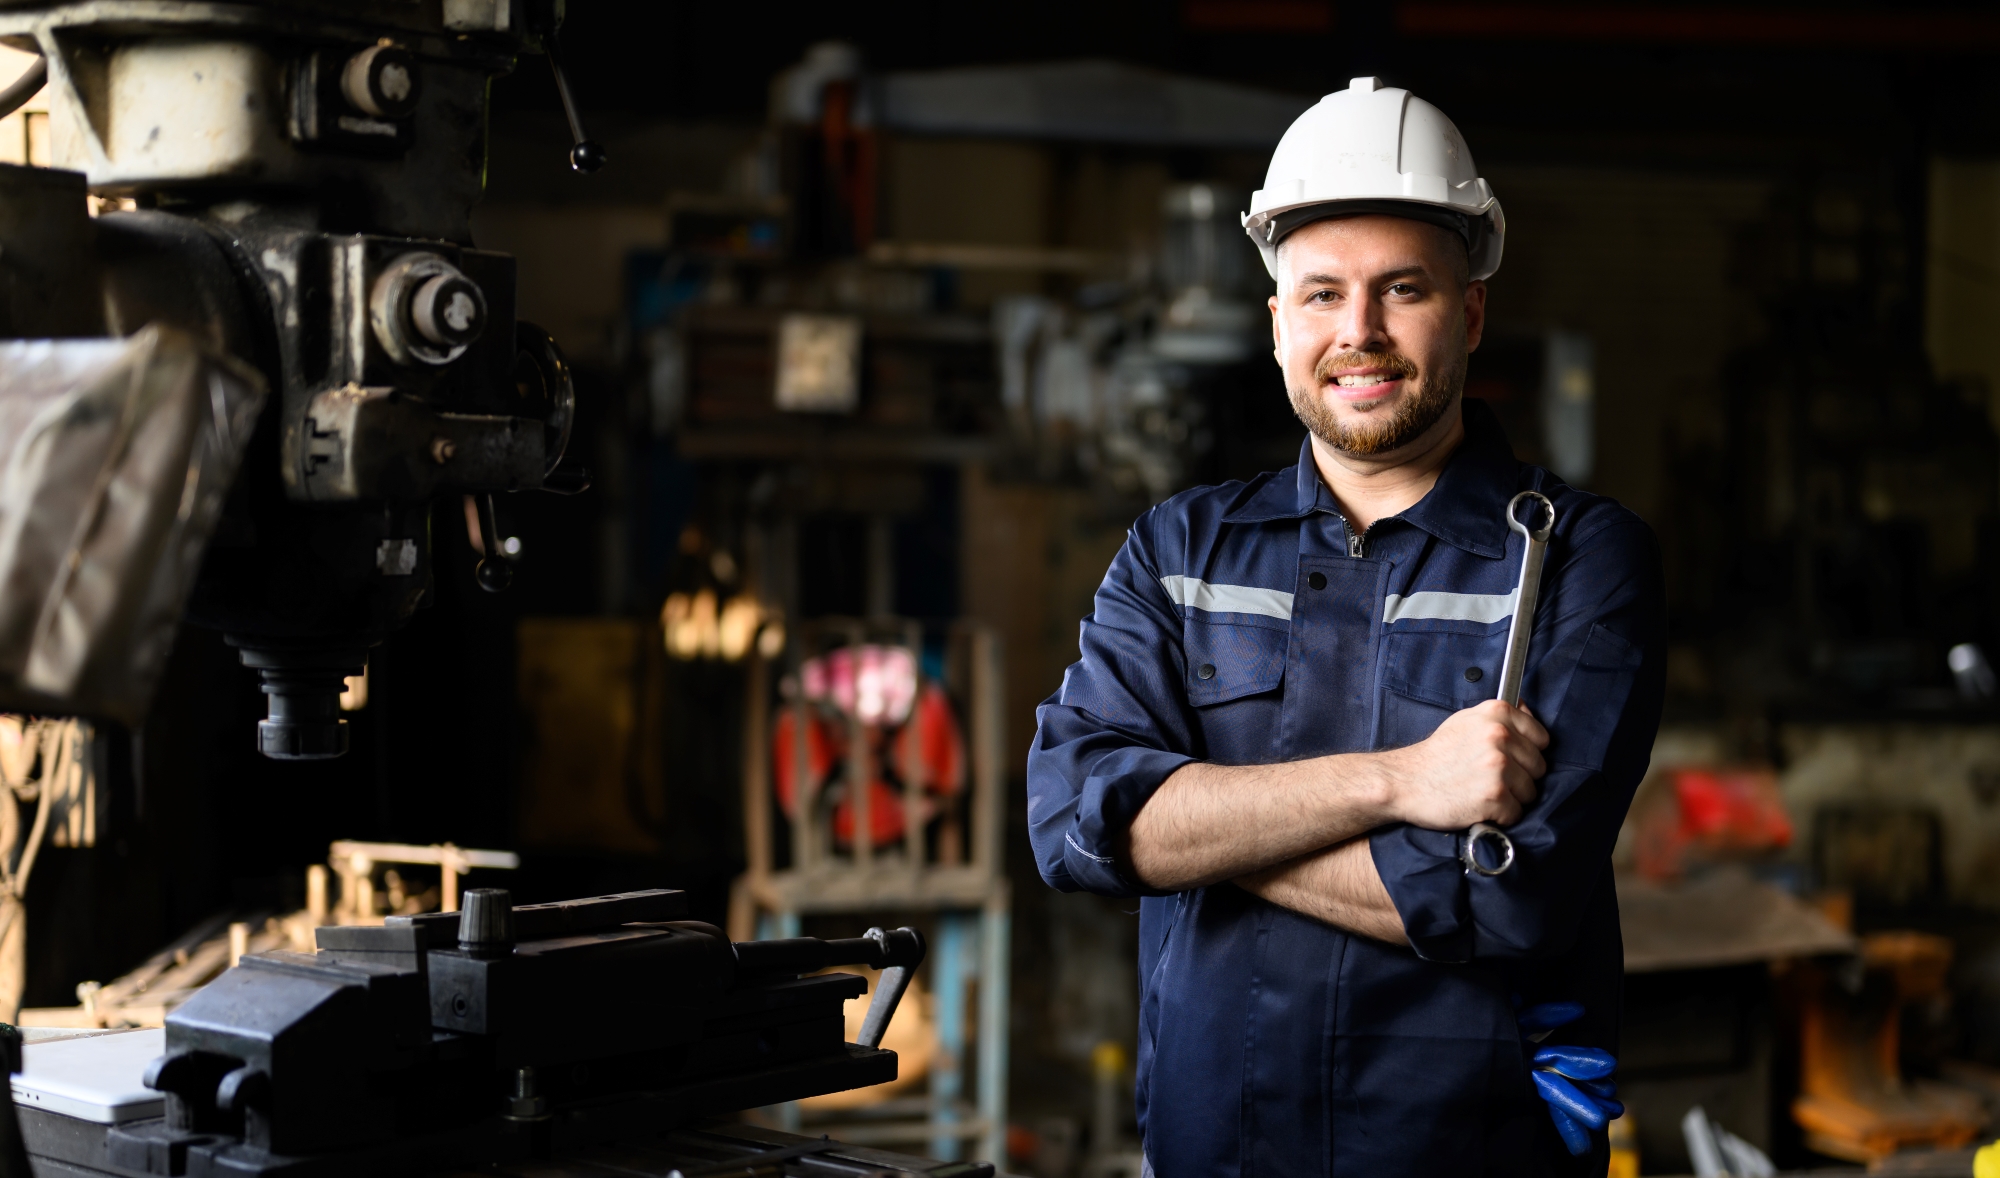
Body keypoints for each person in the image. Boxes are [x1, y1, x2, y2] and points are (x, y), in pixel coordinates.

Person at [1026, 77, 1667, 1175]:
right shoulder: (1181, 552)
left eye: (1399, 288)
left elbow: (1508, 895)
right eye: (1319, 294)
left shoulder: (1573, 558)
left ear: (1466, 310)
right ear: (1277, 323)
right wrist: (1399, 783)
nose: (1356, 332)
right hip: (1209, 1150)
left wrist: (1190, 833)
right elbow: (1072, 825)